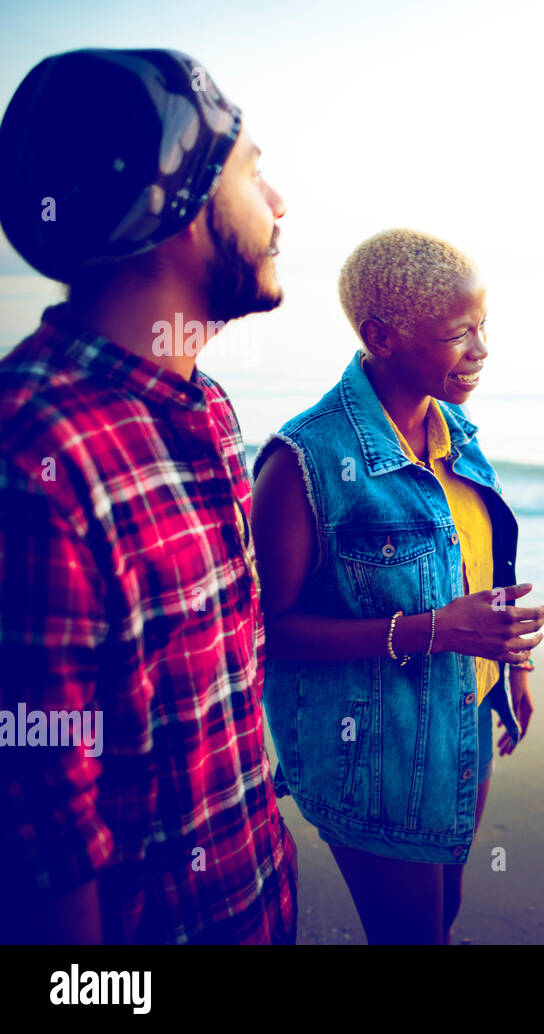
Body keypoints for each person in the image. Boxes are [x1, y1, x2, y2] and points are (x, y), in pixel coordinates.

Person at [0, 49, 297, 944]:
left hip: (255, 905)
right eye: (252, 172)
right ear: (184, 211)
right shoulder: (34, 457)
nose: (278, 204)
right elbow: (41, 842)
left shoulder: (203, 405)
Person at [250, 229, 542, 944]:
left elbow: (476, 570)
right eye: (458, 334)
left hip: (463, 718)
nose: (481, 350)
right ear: (381, 336)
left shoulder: (456, 431)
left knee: (442, 912)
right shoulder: (304, 460)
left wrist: (509, 668)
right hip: (374, 745)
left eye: (483, 327)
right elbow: (269, 631)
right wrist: (437, 631)